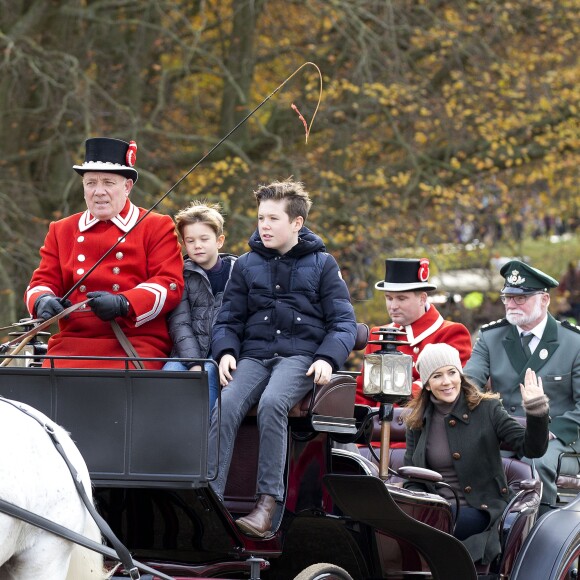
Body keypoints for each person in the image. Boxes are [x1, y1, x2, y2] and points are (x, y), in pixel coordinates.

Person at [207, 178, 357, 538]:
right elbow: (228, 319)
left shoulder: (323, 264)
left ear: (296, 223)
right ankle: (209, 501)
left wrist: (327, 358)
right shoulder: (245, 265)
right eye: (261, 218)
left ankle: (267, 504)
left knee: (274, 402)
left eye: (273, 218)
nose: (265, 226)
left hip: (300, 357)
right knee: (225, 406)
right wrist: (226, 351)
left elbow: (343, 322)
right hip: (254, 357)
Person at [25, 137, 184, 369]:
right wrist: (42, 300)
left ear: (127, 187)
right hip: (71, 344)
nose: (98, 192)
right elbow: (41, 281)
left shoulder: (155, 226)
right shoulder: (62, 229)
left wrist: (125, 302)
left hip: (135, 342)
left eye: (108, 182)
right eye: (91, 183)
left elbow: (170, 284)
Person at [404, 343, 549, 565]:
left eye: (452, 372)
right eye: (437, 376)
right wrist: (419, 504)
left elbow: (532, 448)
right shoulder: (417, 421)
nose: (446, 381)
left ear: (460, 375)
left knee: (439, 525)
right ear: (426, 384)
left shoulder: (488, 408)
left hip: (482, 509)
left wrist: (536, 410)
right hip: (436, 509)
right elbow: (413, 478)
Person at [464, 259, 580, 510]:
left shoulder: (573, 342)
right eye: (508, 297)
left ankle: (541, 533)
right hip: (504, 432)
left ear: (545, 299)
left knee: (533, 462)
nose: (512, 304)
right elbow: (469, 385)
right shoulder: (491, 336)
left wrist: (551, 430)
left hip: (557, 438)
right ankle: (482, 532)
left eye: (521, 298)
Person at [356, 258, 472, 405]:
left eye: (401, 298)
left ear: (422, 298)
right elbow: (362, 393)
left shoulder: (451, 333)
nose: (393, 306)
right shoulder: (379, 335)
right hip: (378, 425)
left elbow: (447, 388)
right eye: (389, 298)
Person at [163, 202, 237, 410]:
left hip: (222, 351)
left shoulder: (237, 272)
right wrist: (193, 362)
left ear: (219, 241)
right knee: (167, 377)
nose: (197, 246)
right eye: (190, 241)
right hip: (187, 351)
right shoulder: (181, 275)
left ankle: (204, 433)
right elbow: (180, 323)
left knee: (210, 375)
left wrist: (222, 355)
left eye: (204, 239)